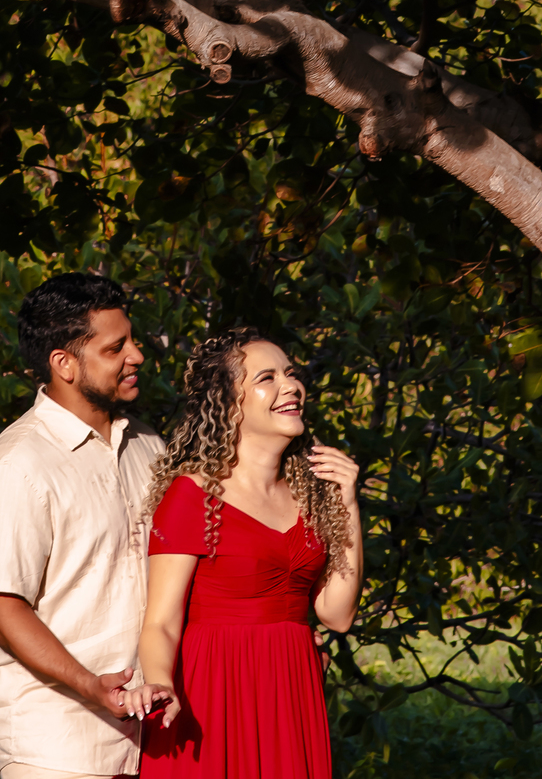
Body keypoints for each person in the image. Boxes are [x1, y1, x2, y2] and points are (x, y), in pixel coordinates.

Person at [121, 328, 364, 779]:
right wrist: (158, 681)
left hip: (291, 689)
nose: (290, 386)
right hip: (212, 691)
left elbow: (337, 615)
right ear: (230, 404)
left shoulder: (312, 494)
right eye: (266, 378)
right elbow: (161, 620)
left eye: (291, 374)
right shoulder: (192, 495)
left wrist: (348, 503)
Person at [0, 273, 165, 779]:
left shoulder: (149, 447)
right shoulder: (17, 465)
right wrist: (91, 684)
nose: (136, 355)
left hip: (154, 738)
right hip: (56, 747)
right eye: (116, 347)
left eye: (133, 340)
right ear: (64, 364)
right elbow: (3, 612)